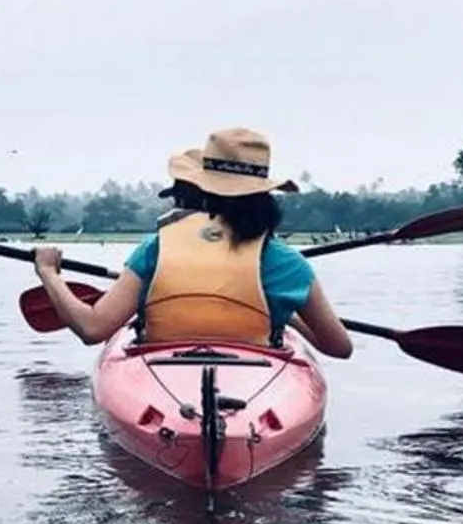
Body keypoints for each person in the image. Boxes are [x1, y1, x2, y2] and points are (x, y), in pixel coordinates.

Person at [32, 127, 354, 357]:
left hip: (163, 372)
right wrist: (285, 315)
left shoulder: (157, 249)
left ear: (203, 190)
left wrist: (48, 272)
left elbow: (92, 328)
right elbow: (339, 347)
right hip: (255, 375)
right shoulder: (288, 263)